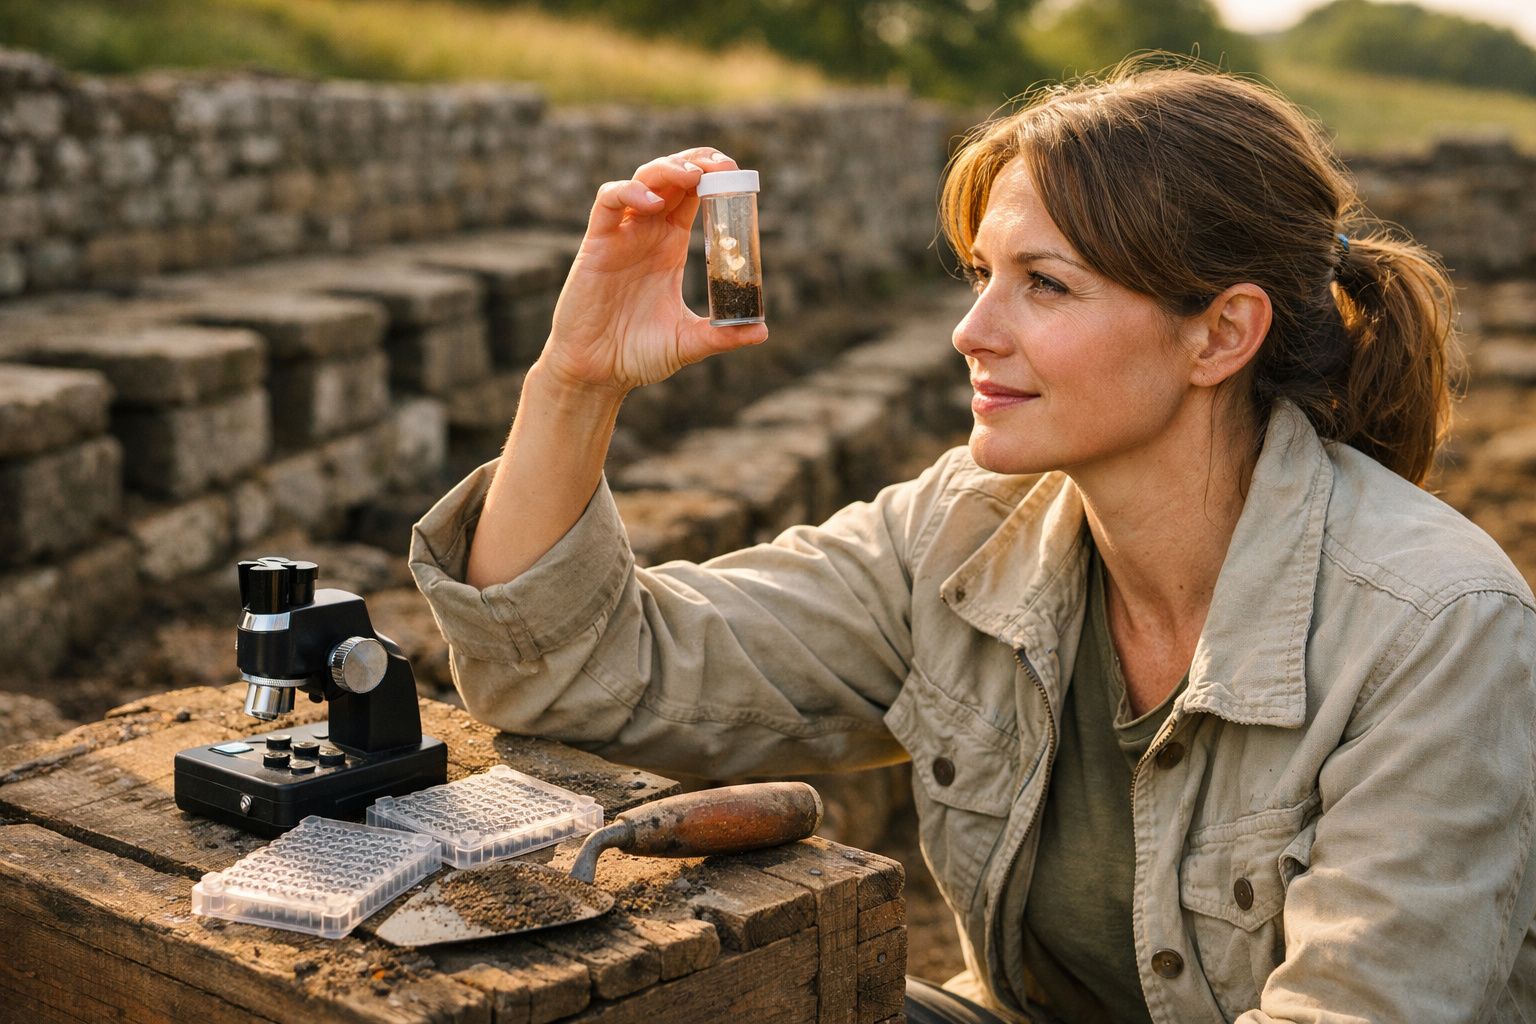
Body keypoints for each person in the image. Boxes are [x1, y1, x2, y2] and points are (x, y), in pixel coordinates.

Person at [410, 58, 1536, 1023]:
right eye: (982, 274)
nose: (971, 330)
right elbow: (572, 670)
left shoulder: (1434, 629)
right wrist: (576, 377)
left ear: (1221, 333)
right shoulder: (962, 531)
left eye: (1044, 285)